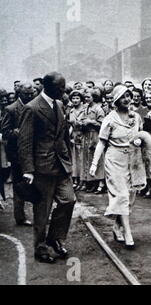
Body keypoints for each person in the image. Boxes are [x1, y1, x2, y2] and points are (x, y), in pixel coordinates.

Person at [18, 72, 76, 264]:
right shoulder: (32, 108)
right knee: (42, 211)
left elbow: (63, 137)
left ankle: (55, 238)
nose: (64, 90)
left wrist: (68, 158)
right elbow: (25, 142)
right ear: (47, 86)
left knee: (68, 200)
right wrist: (28, 170)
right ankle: (41, 248)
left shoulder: (59, 105)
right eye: (60, 87)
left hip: (60, 165)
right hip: (42, 168)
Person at [90, 85, 147, 249]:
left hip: (133, 159)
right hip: (114, 160)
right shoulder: (110, 119)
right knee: (121, 195)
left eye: (128, 96)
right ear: (116, 100)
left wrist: (139, 142)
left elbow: (140, 136)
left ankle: (117, 225)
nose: (127, 99)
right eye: (123, 97)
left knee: (130, 196)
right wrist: (94, 163)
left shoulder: (136, 117)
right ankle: (128, 233)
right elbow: (102, 142)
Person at [1, 83, 36, 227]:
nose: (29, 96)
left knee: (37, 185)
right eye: (26, 94)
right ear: (19, 94)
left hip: (34, 153)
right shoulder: (11, 109)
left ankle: (40, 216)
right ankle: (20, 217)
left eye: (31, 94)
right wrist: (15, 133)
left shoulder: (35, 106)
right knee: (19, 186)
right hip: (17, 155)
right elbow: (5, 132)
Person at [80, 88, 106, 194]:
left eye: (88, 97)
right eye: (85, 97)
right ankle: (91, 182)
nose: (86, 99)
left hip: (95, 135)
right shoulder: (85, 108)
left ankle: (101, 183)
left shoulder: (98, 109)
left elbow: (102, 124)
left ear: (93, 97)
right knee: (88, 159)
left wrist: (91, 122)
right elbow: (81, 119)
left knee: (98, 159)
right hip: (86, 135)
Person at [67, 91, 85, 190]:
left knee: (82, 159)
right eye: (73, 98)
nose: (75, 100)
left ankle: (82, 180)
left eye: (77, 98)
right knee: (74, 159)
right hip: (74, 136)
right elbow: (71, 126)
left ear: (81, 99)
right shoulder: (71, 111)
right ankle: (75, 179)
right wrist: (69, 136)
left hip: (83, 135)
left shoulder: (85, 110)